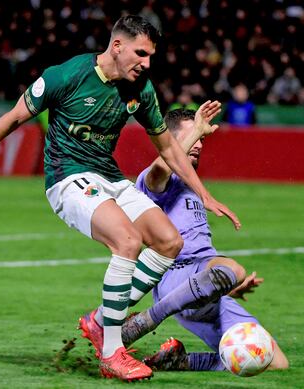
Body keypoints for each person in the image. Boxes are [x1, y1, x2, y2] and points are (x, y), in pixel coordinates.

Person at [0, 15, 240, 381]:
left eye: (150, 56)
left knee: (169, 242)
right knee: (128, 241)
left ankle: (102, 321)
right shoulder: (65, 75)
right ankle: (112, 352)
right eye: (140, 54)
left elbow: (167, 146)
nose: (146, 63)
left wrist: (205, 194)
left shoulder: (141, 89)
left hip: (108, 177)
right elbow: (12, 118)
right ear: (116, 46)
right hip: (67, 178)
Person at [81, 106, 288, 372]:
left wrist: (225, 285)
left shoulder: (190, 183)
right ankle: (146, 320)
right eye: (195, 135)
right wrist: (224, 274)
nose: (200, 144)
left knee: (275, 362)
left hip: (201, 284)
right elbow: (159, 169)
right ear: (172, 140)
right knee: (234, 268)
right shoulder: (155, 179)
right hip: (175, 274)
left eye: (202, 137)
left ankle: (181, 361)